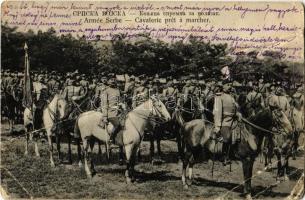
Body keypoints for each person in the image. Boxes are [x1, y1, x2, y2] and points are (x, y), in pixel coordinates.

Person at [213, 83, 241, 165]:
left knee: (239, 134)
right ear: (223, 86)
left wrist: (238, 114)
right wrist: (217, 126)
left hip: (233, 120)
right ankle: (224, 156)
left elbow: (236, 108)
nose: (229, 87)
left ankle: (234, 153)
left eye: (230, 85)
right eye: (227, 85)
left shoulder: (232, 97)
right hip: (224, 120)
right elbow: (217, 113)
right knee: (227, 137)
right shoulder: (219, 97)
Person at [98, 77, 122, 143]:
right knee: (117, 125)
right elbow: (104, 104)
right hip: (110, 113)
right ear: (108, 83)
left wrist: (122, 105)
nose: (113, 83)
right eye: (111, 82)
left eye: (114, 82)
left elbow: (119, 101)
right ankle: (111, 138)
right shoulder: (106, 91)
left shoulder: (117, 90)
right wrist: (105, 116)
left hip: (119, 112)